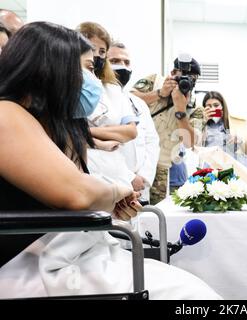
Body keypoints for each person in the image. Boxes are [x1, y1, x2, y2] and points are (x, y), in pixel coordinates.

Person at [0, 22, 222, 300]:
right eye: (89, 68)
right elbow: (79, 193)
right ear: (53, 68)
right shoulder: (6, 115)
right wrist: (116, 192)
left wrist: (107, 200)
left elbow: (79, 190)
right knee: (191, 296)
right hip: (29, 262)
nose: (94, 80)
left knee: (193, 289)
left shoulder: (59, 126)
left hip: (71, 251)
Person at [132, 56, 205, 205]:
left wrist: (181, 110)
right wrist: (159, 93)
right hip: (135, 160)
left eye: (191, 78)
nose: (187, 81)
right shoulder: (154, 81)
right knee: (130, 208)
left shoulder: (195, 107)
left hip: (162, 166)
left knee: (154, 211)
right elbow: (129, 100)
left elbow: (190, 142)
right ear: (172, 72)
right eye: (182, 76)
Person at [77, 22, 139, 190]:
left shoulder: (113, 90)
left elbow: (130, 132)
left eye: (102, 51)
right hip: (83, 168)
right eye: (91, 48)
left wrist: (86, 133)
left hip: (115, 169)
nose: (96, 55)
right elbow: (60, 132)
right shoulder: (66, 88)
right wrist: (109, 134)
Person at [107, 42, 160, 201]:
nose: (122, 66)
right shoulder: (99, 100)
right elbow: (99, 146)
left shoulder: (138, 103)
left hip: (141, 189)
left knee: (143, 225)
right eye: (115, 61)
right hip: (114, 185)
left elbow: (152, 142)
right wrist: (129, 177)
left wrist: (144, 177)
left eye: (126, 62)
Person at [202, 91, 247, 158]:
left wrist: (240, 142)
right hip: (208, 165)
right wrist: (203, 122)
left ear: (222, 106)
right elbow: (194, 148)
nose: (213, 109)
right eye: (209, 106)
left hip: (230, 165)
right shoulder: (200, 124)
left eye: (216, 105)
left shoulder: (236, 124)